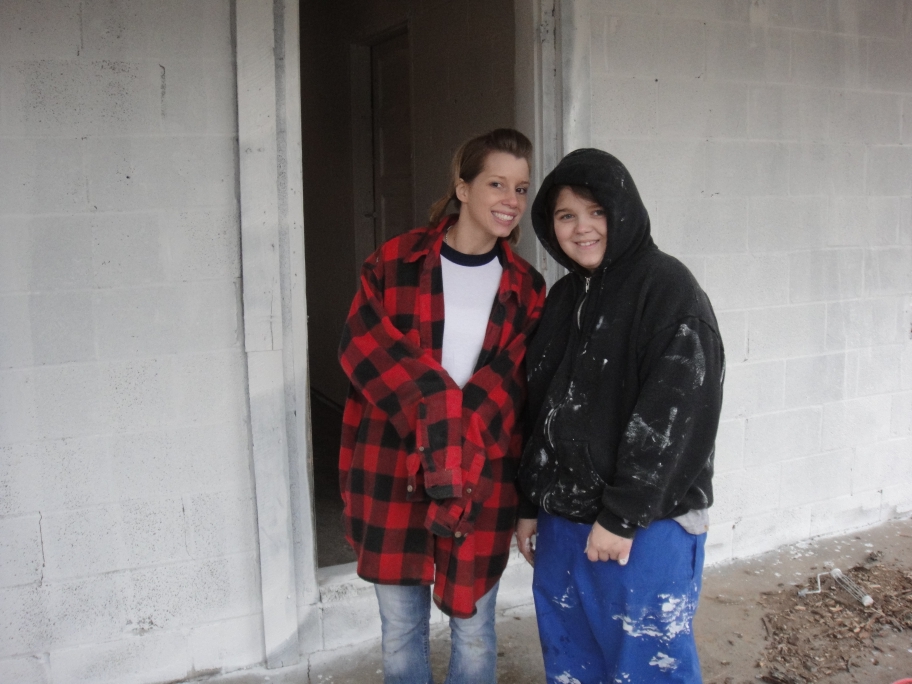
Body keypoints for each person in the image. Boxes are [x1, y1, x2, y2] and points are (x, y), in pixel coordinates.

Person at [338, 128, 546, 684]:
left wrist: (453, 430)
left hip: (480, 476)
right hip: (394, 469)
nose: (511, 199)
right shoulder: (395, 262)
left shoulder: (527, 287)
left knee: (474, 631)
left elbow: (516, 388)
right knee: (402, 631)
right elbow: (360, 349)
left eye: (521, 188)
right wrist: (439, 405)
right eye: (497, 183)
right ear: (462, 187)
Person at [515, 148, 725, 683]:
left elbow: (676, 416)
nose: (581, 228)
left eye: (597, 211)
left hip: (644, 528)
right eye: (566, 215)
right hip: (564, 523)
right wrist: (530, 503)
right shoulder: (565, 297)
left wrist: (621, 517)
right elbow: (540, 410)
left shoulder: (667, 290)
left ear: (624, 212)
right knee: (572, 664)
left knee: (646, 670)